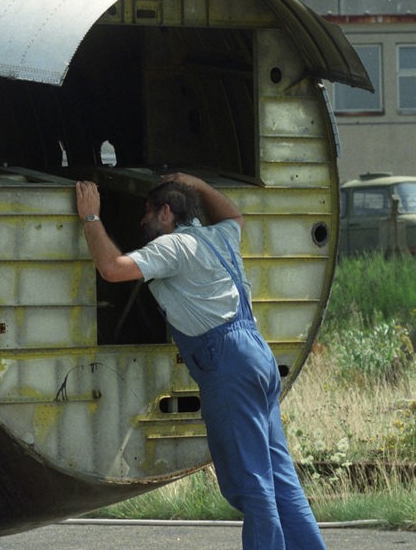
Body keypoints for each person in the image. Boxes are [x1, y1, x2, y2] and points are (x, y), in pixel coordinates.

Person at [75, 173, 327, 550]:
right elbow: (236, 217)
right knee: (281, 482)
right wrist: (199, 184)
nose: (141, 221)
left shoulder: (174, 246)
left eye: (146, 212)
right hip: (258, 356)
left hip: (228, 365)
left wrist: (90, 218)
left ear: (166, 212)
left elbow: (112, 268)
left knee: (252, 487)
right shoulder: (220, 236)